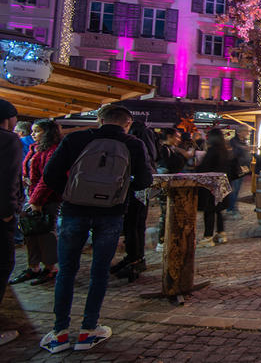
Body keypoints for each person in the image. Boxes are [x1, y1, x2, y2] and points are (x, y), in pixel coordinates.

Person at [35, 104, 153, 353]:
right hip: (110, 212)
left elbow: (50, 174)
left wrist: (70, 193)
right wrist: (119, 191)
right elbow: (144, 180)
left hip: (74, 210)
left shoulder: (76, 139)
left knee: (67, 270)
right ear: (127, 123)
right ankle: (88, 330)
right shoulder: (133, 144)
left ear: (99, 120)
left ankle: (60, 332)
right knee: (99, 272)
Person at [12, 120, 62, 286]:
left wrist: (36, 200)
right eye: (33, 131)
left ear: (47, 132)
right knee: (30, 232)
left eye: (37, 131)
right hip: (32, 195)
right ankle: (33, 267)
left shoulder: (53, 150)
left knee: (45, 233)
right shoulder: (36, 148)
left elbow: (47, 178)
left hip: (47, 198)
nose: (32, 134)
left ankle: (50, 268)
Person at [111, 121, 157, 281]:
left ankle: (135, 259)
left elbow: (147, 163)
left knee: (133, 223)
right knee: (136, 223)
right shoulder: (142, 140)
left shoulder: (137, 141)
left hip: (135, 186)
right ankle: (135, 258)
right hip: (138, 186)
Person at [0, 99, 24, 346]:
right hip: (1, 215)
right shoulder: (8, 140)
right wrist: (8, 211)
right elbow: (8, 177)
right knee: (2, 265)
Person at [155, 128, 191, 252]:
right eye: (177, 137)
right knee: (165, 213)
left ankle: (166, 238)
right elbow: (173, 165)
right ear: (169, 136)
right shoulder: (164, 150)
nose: (179, 139)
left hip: (169, 184)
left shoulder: (169, 149)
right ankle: (162, 241)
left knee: (168, 212)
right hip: (166, 185)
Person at [195, 129, 232, 247]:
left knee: (209, 210)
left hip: (211, 185)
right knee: (219, 210)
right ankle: (221, 234)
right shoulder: (225, 151)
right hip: (222, 184)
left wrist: (197, 166)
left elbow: (204, 168)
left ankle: (207, 237)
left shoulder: (212, 151)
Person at [228, 125, 252, 220]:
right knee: (234, 190)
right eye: (246, 131)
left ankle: (231, 208)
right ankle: (232, 210)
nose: (247, 133)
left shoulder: (243, 142)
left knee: (236, 190)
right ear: (239, 132)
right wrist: (245, 149)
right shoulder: (234, 141)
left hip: (242, 168)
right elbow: (235, 153)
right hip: (235, 169)